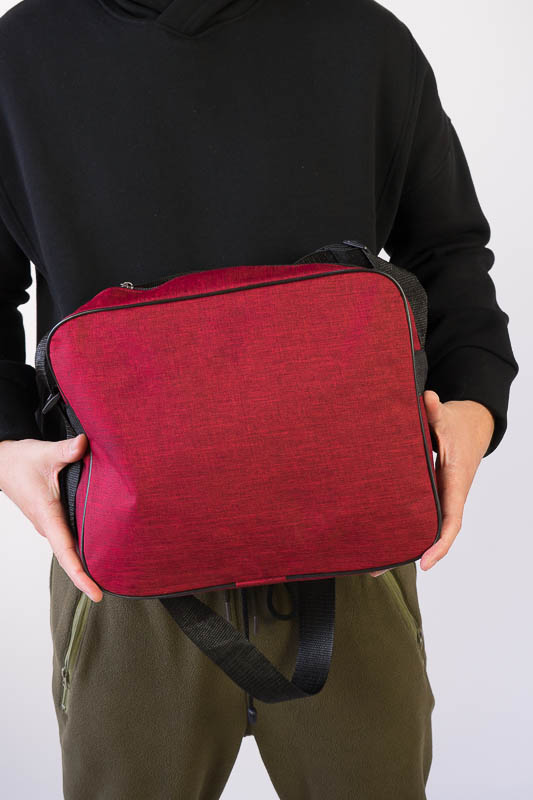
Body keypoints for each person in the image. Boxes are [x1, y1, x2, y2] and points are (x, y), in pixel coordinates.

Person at [0, 0, 518, 798]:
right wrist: (6, 441)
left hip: (351, 555)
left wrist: (474, 402)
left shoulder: (363, 39)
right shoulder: (21, 55)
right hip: (121, 572)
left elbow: (447, 248)